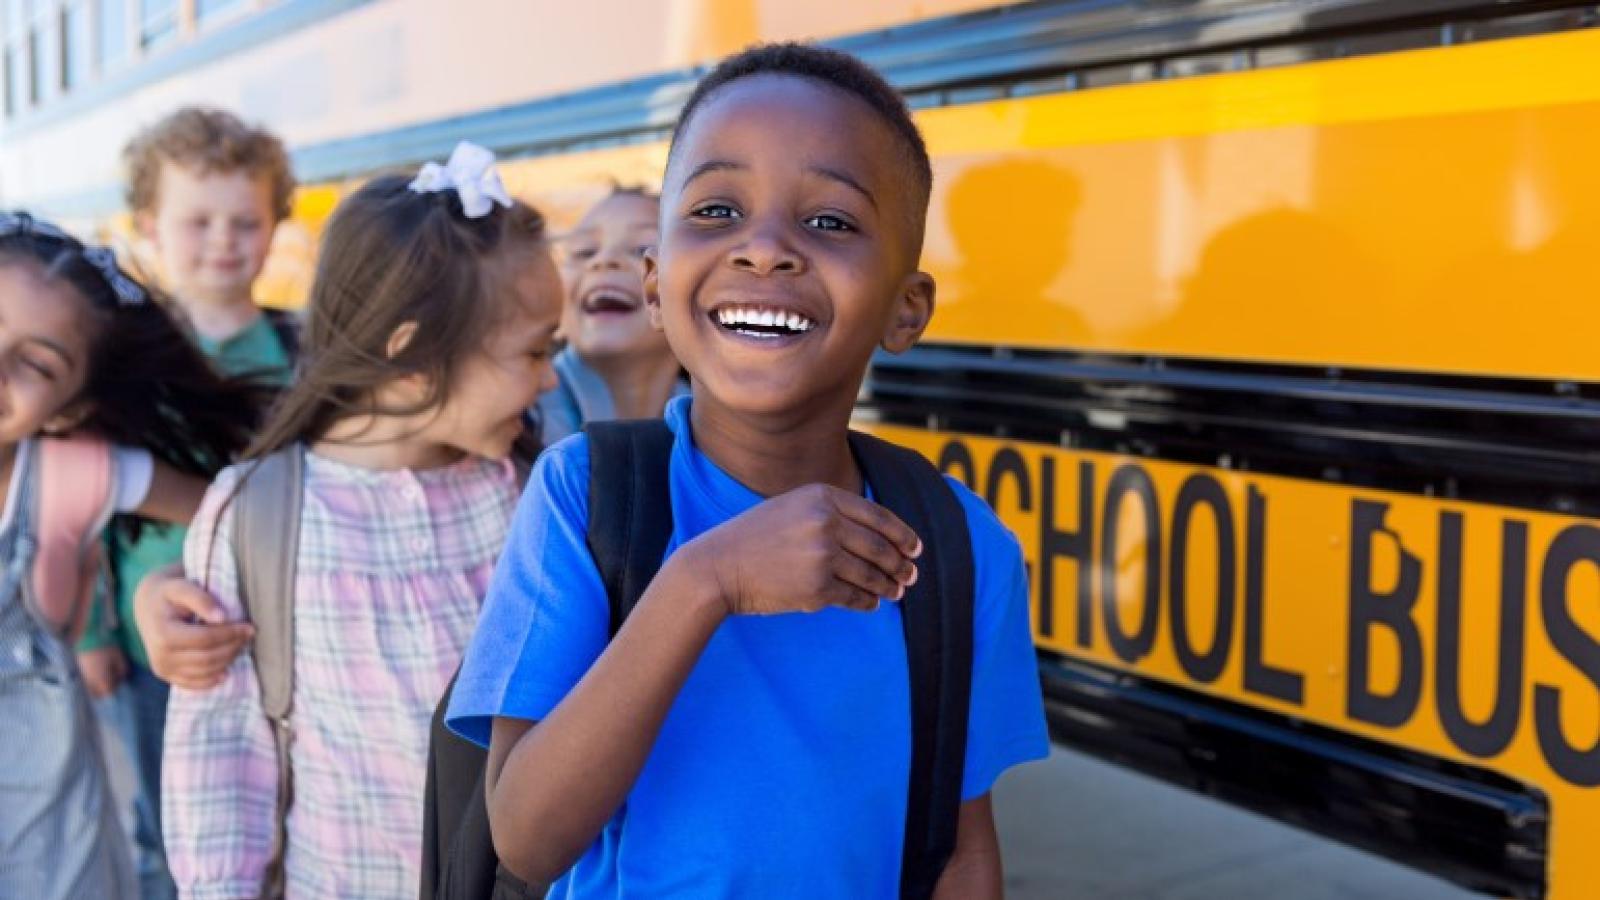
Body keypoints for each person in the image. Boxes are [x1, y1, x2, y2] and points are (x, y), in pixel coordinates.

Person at [446, 43, 1049, 898]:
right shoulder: (588, 496)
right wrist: (709, 579)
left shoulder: (955, 542)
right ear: (656, 286)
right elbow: (525, 837)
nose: (765, 251)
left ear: (905, 309)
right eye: (717, 210)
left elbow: (960, 846)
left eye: (831, 222)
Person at [162, 142, 562, 900]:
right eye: (536, 351)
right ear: (412, 358)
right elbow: (222, 765)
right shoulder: (259, 517)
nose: (548, 377)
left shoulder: (531, 495)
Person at [0, 211, 261, 900]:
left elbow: (237, 509)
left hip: (40, 810)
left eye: (34, 363)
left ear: (62, 411)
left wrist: (161, 586)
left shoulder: (69, 474)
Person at [81, 104, 300, 900]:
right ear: (148, 224)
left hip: (278, 631)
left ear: (275, 226)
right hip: (151, 651)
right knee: (161, 824)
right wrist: (94, 633)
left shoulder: (299, 348)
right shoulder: (125, 360)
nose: (222, 241)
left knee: (267, 817)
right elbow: (91, 508)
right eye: (197, 221)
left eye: (245, 221)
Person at [540, 187, 686, 443]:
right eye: (584, 251)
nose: (605, 260)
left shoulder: (722, 426)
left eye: (642, 249)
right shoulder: (520, 418)